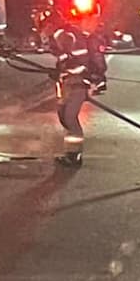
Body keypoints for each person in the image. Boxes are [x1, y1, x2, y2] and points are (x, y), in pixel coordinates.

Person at [51, 10, 108, 167]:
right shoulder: (65, 35)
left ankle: (74, 155)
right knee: (63, 116)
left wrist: (67, 70)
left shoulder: (73, 37)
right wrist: (59, 71)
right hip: (67, 84)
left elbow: (80, 64)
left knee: (70, 118)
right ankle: (70, 152)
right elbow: (63, 57)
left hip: (78, 84)